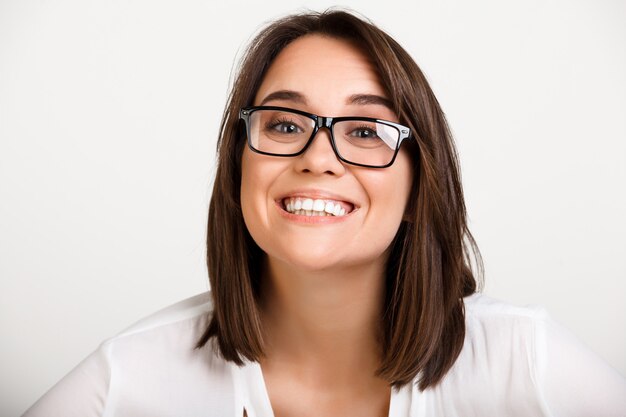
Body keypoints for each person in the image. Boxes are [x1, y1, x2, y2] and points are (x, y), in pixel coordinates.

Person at [23, 9, 626, 417]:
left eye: (365, 130)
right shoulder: (125, 380)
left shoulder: (527, 359)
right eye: (284, 124)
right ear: (239, 167)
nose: (318, 158)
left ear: (420, 186)